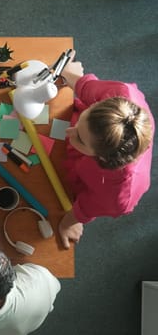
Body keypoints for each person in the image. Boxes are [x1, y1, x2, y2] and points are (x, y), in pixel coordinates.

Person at [57, 50, 154, 249]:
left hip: (92, 178)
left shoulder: (118, 194)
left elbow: (87, 207)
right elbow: (88, 89)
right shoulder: (121, 97)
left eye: (80, 139)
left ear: (102, 158)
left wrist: (68, 224)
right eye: (87, 114)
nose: (68, 132)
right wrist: (70, 74)